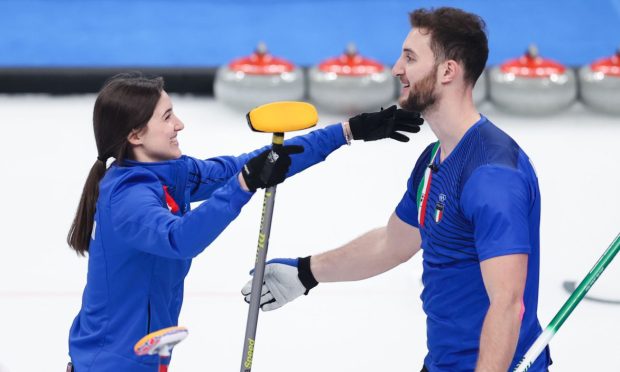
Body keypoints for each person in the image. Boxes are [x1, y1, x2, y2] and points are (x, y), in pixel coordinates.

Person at [242, 7, 552, 372]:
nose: (396, 69)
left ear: (448, 71)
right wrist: (307, 272)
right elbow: (392, 242)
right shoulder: (435, 158)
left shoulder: (492, 176)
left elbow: (507, 304)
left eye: (410, 58)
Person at [66, 72, 423, 371]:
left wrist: (348, 131)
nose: (180, 124)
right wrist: (242, 185)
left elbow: (250, 165)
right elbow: (180, 240)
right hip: (112, 363)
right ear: (135, 135)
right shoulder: (127, 199)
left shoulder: (169, 173)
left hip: (143, 354)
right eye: (167, 116)